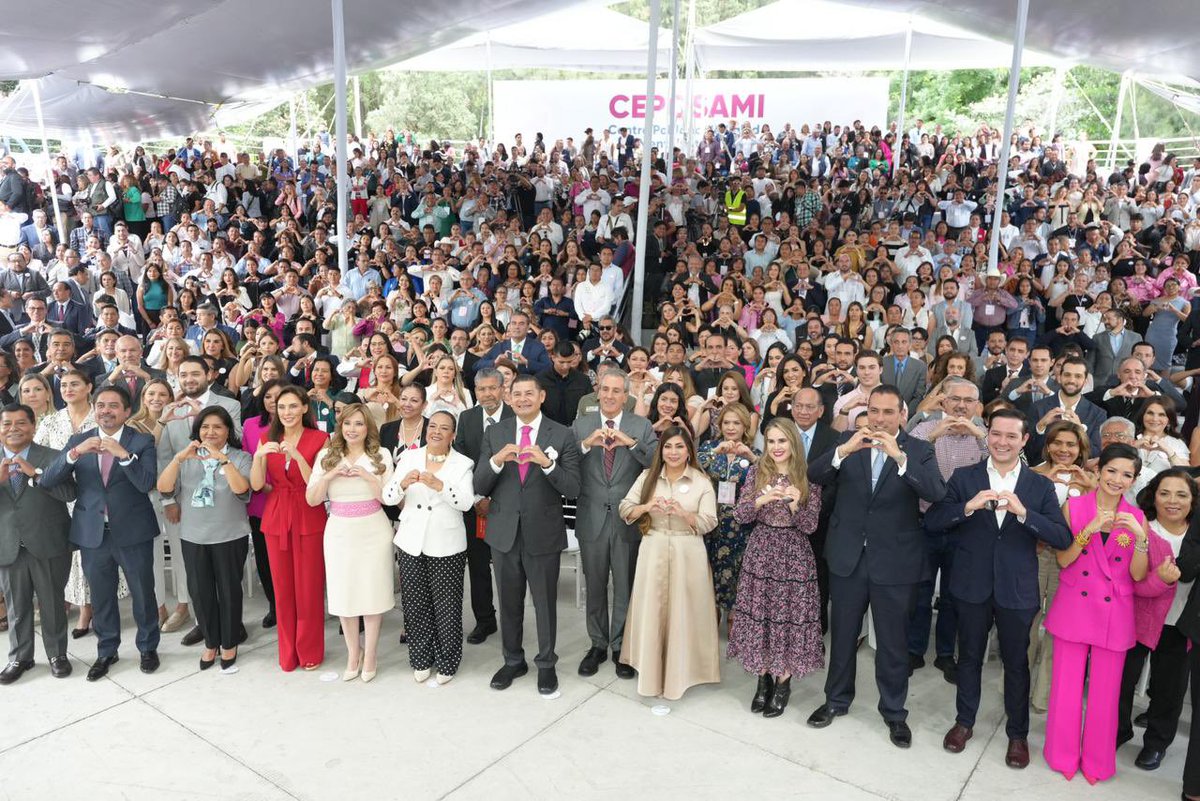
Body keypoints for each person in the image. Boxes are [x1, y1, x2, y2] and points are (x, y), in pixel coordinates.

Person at [924, 409, 1072, 768]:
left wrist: (1025, 514)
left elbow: (1062, 536)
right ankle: (964, 722)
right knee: (970, 658)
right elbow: (933, 521)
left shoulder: (1039, 486)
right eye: (996, 434)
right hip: (971, 585)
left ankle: (1017, 735)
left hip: (1017, 590)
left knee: (1016, 663)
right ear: (986, 436)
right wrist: (968, 507)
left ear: (1024, 441)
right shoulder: (965, 476)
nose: (1002, 442)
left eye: (1011, 436)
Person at [806, 385, 947, 748]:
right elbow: (813, 475)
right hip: (848, 557)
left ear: (902, 414)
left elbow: (935, 492)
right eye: (874, 411)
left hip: (895, 562)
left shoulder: (919, 450)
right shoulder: (849, 442)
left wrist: (901, 459)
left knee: (893, 642)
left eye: (888, 412)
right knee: (842, 635)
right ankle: (836, 700)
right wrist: (840, 452)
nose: (880, 419)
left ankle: (895, 713)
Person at [1043, 443, 1155, 784]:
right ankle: (1061, 753)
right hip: (1075, 606)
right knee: (1065, 687)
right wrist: (1088, 530)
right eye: (1112, 471)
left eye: (1127, 475)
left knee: (1106, 694)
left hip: (1114, 614)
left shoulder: (1137, 518)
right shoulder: (1074, 507)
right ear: (1098, 471)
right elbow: (1063, 559)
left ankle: (1097, 761)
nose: (1118, 479)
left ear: (1134, 480)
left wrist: (1140, 540)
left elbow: (1137, 575)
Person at [41, 385, 162, 681]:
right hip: (93, 533)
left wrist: (123, 455)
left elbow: (147, 483)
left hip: (133, 531)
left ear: (126, 411)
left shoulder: (141, 441)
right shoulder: (79, 440)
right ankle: (107, 650)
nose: (106, 410)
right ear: (94, 409)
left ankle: (148, 647)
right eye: (101, 405)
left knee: (143, 592)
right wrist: (73, 454)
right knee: (102, 595)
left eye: (113, 406)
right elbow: (48, 479)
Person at [474, 373, 581, 695]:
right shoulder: (495, 433)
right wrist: (494, 461)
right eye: (516, 394)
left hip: (542, 532)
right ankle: (513, 660)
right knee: (508, 601)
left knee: (545, 602)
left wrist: (547, 464)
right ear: (508, 398)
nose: (522, 399)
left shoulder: (562, 435)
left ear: (542, 396)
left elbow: (574, 488)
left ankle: (546, 664)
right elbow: (479, 485)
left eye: (529, 394)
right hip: (504, 532)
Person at [728, 418, 824, 717]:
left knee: (788, 617)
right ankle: (763, 678)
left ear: (793, 442)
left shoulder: (809, 476)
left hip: (794, 555)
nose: (776, 447)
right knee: (762, 615)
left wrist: (795, 504)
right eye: (771, 441)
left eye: (782, 441)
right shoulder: (757, 471)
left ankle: (783, 681)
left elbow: (810, 526)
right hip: (761, 550)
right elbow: (740, 515)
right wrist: (761, 499)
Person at [618, 426, 719, 699]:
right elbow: (625, 508)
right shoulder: (647, 478)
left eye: (679, 447)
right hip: (653, 548)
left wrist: (685, 514)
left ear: (689, 451)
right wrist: (646, 507)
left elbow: (710, 521)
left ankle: (683, 673)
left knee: (685, 612)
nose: (673, 452)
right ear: (661, 451)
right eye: (668, 447)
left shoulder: (701, 481)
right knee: (652, 609)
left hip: (689, 552)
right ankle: (649, 671)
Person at [571, 367, 657, 679]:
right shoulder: (581, 425)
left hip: (627, 519)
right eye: (604, 390)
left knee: (625, 585)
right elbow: (566, 466)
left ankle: (622, 646)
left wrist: (631, 443)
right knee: (594, 585)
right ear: (598, 392)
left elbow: (655, 463)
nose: (609, 396)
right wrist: (584, 445)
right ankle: (597, 644)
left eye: (616, 391)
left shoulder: (641, 425)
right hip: (591, 517)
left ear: (626, 396)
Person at [155, 406, 252, 673]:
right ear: (197, 431)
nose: (210, 432)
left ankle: (230, 643)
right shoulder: (187, 458)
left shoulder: (240, 457)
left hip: (230, 535)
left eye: (217, 427)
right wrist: (178, 459)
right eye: (205, 427)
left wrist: (221, 458)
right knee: (201, 592)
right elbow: (164, 487)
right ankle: (211, 642)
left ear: (228, 431)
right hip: (193, 536)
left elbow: (241, 488)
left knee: (230, 591)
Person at [906, 377, 989, 682]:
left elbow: (1001, 466)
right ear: (943, 401)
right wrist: (934, 435)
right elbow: (904, 460)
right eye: (956, 400)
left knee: (954, 594)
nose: (962, 406)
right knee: (921, 590)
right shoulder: (924, 428)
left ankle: (944, 654)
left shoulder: (982, 433)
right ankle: (914, 650)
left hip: (964, 525)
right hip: (924, 521)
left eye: (969, 401)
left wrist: (980, 437)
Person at [155, 356, 242, 643]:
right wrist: (168, 499)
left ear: (209, 374)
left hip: (224, 499)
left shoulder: (229, 404)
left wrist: (202, 413)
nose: (189, 379)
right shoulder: (170, 410)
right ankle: (203, 624)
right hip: (187, 502)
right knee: (194, 572)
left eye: (195, 373)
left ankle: (231, 626)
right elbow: (165, 455)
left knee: (226, 576)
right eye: (183, 375)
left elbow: (239, 440)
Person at [383, 410, 474, 684]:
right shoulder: (408, 457)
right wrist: (401, 483)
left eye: (444, 428)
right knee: (414, 605)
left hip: (446, 543)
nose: (436, 431)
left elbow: (467, 503)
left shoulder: (463, 463)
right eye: (432, 426)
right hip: (411, 541)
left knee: (446, 606)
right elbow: (387, 497)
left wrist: (441, 485)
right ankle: (421, 658)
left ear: (453, 435)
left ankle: (448, 660)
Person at [307, 403, 394, 683]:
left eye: (358, 424)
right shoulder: (326, 456)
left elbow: (390, 499)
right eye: (347, 423)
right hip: (339, 530)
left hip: (374, 529)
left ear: (367, 427)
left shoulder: (381, 455)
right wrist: (330, 475)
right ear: (340, 426)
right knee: (344, 593)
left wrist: (369, 477)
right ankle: (352, 654)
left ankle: (370, 655)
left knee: (372, 592)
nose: (352, 429)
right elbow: (312, 499)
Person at [249, 385, 329, 672]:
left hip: (308, 512)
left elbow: (318, 484)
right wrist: (259, 457)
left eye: (293, 406)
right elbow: (257, 485)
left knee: (308, 587)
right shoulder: (265, 438)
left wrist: (296, 456)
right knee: (282, 589)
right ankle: (286, 652)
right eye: (282, 407)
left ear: (305, 408)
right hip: (276, 514)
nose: (287, 412)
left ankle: (309, 650)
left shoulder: (320, 438)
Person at [1117, 468, 1192, 771]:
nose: (1172, 501)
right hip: (1137, 619)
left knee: (1169, 690)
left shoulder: (1196, 535)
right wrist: (1161, 580)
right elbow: (1132, 583)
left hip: (1181, 625)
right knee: (1121, 682)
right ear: (1153, 495)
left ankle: (1156, 744)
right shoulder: (1141, 529)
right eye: (1165, 493)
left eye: (1181, 494)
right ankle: (1117, 731)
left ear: (1193, 499)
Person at [0, 403, 76, 683]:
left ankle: (58, 655)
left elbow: (69, 493)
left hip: (48, 542)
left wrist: (35, 474)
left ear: (33, 427)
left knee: (52, 603)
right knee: (15, 606)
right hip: (7, 544)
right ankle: (20, 657)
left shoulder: (53, 457)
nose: (13, 429)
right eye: (7, 424)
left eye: (21, 423)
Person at [1028, 421, 1095, 712]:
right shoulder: (1032, 474)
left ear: (1081, 448)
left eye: (1070, 444)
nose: (1063, 450)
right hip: (1033, 555)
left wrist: (1092, 488)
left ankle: (1043, 696)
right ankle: (1016, 688)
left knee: (1058, 630)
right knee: (1026, 626)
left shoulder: (1091, 479)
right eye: (1057, 443)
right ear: (1048, 445)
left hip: (1071, 561)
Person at [451, 368, 508, 645]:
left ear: (502, 388)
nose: (487, 394)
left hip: (509, 507)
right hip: (474, 506)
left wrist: (495, 499)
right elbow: (461, 462)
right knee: (478, 567)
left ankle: (512, 620)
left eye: (492, 388)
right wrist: (476, 499)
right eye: (481, 389)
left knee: (509, 567)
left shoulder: (515, 416)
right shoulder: (467, 418)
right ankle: (485, 621)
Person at [697, 403, 759, 626]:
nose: (731, 427)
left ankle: (735, 614)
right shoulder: (709, 447)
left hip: (741, 524)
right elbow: (694, 464)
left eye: (737, 423)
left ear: (745, 426)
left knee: (738, 569)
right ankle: (711, 610)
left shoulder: (754, 453)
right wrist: (716, 451)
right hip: (713, 520)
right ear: (720, 425)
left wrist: (751, 456)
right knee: (710, 566)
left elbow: (769, 476)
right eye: (727, 422)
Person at [241, 379, 286, 629]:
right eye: (269, 396)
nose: (274, 401)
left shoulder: (293, 424)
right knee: (265, 558)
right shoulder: (250, 425)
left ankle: (291, 602)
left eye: (279, 396)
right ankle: (274, 604)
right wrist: (262, 484)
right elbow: (248, 461)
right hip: (261, 501)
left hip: (289, 498)